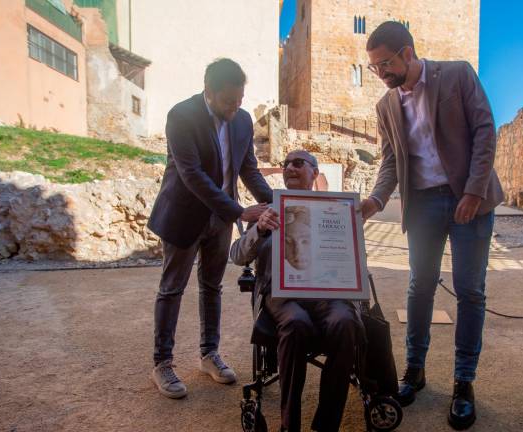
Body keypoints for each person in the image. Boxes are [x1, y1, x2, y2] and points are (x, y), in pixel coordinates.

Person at [359, 21, 504, 430]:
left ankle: (464, 382)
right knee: (419, 285)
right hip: (421, 203)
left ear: (408, 53)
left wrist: (474, 192)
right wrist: (375, 199)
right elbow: (391, 161)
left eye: (385, 63)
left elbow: (484, 131)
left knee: (470, 290)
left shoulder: (456, 73)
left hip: (467, 201)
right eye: (373, 68)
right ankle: (414, 371)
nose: (381, 74)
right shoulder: (386, 106)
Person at [147, 58, 272, 399]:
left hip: (219, 220)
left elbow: (249, 170)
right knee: (172, 288)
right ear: (209, 92)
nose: (236, 107)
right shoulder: (181, 116)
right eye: (230, 101)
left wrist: (281, 203)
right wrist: (241, 211)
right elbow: (192, 176)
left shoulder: (243, 120)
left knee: (212, 287)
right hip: (184, 215)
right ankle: (162, 364)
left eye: (240, 100)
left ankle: (209, 354)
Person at [230, 150, 363, 432]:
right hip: (282, 296)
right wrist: (260, 230)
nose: (290, 167)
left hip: (327, 293)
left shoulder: (337, 209)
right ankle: (289, 426)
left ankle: (327, 425)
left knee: (346, 321)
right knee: (296, 323)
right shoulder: (268, 209)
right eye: (286, 164)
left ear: (314, 172)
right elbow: (237, 255)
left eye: (298, 162)